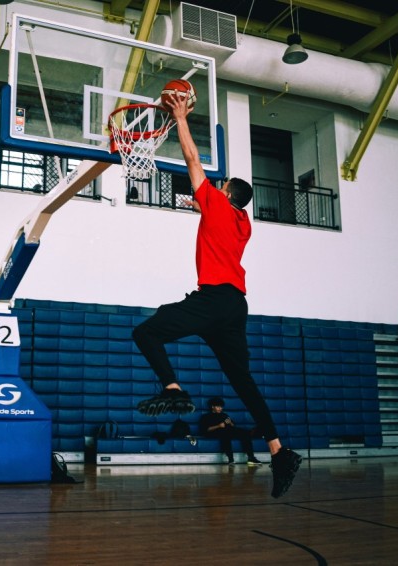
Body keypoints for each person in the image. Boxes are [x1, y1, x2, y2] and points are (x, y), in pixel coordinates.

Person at [131, 91, 302, 498]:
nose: (215, 187)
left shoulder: (219, 204)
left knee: (146, 333)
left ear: (225, 194)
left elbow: (193, 161)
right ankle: (279, 452)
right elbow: (213, 214)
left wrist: (180, 117)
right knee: (243, 381)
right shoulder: (241, 221)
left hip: (213, 299)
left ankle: (172, 388)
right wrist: (202, 205)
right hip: (235, 306)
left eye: (220, 187)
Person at [199, 396, 262, 465]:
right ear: (212, 406)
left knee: (244, 433)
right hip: (214, 432)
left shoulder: (224, 415)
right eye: (218, 407)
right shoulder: (206, 417)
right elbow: (205, 430)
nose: (221, 408)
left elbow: (233, 425)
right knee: (225, 433)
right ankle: (230, 459)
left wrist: (231, 423)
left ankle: (251, 457)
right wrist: (218, 426)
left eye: (221, 407)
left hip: (227, 430)